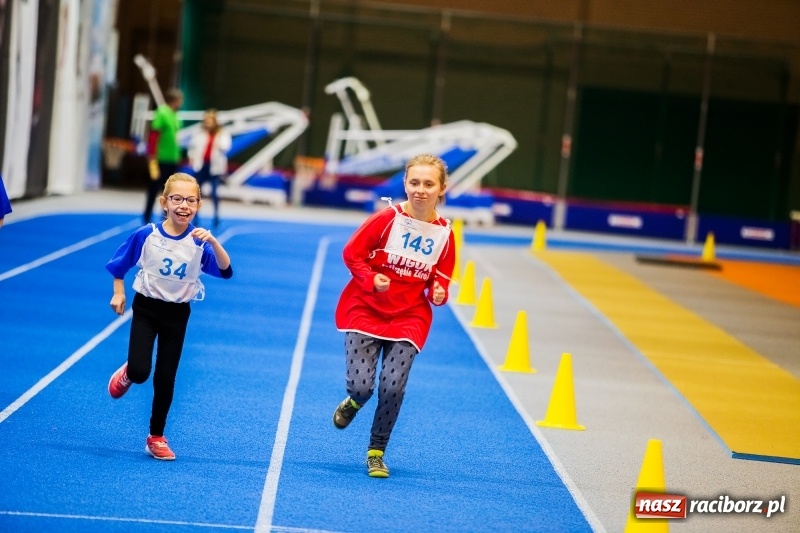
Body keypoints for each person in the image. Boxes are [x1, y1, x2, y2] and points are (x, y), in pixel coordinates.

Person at [331, 153, 456, 478]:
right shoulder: (385, 218)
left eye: (429, 184)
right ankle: (353, 402)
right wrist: (371, 279)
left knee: (392, 388)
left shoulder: (445, 233)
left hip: (409, 317)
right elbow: (351, 254)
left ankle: (376, 451)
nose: (420, 190)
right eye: (414, 182)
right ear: (405, 184)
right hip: (365, 309)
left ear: (442, 188)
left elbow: (440, 278)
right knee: (362, 388)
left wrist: (439, 293)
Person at [106, 172, 233, 461]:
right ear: (165, 202)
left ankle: (156, 436)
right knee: (140, 372)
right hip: (147, 309)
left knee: (166, 377)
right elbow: (119, 264)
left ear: (199, 205)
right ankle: (128, 371)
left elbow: (226, 271)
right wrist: (118, 292)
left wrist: (213, 241)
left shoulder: (199, 243)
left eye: (191, 200)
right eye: (177, 199)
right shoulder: (146, 235)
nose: (183, 205)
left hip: (177, 315)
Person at [143, 88, 183, 224]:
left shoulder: (174, 115)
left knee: (169, 190)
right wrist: (151, 154)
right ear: (175, 100)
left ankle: (165, 215)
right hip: (160, 158)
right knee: (154, 187)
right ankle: (147, 214)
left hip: (172, 158)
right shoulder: (162, 112)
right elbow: (154, 134)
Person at [187, 109, 231, 228]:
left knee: (214, 192)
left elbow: (226, 146)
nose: (208, 123)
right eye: (207, 120)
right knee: (196, 193)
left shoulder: (222, 133)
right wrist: (191, 157)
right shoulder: (199, 132)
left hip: (214, 167)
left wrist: (219, 143)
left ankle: (216, 216)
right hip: (201, 166)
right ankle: (195, 216)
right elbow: (192, 146)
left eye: (211, 121)